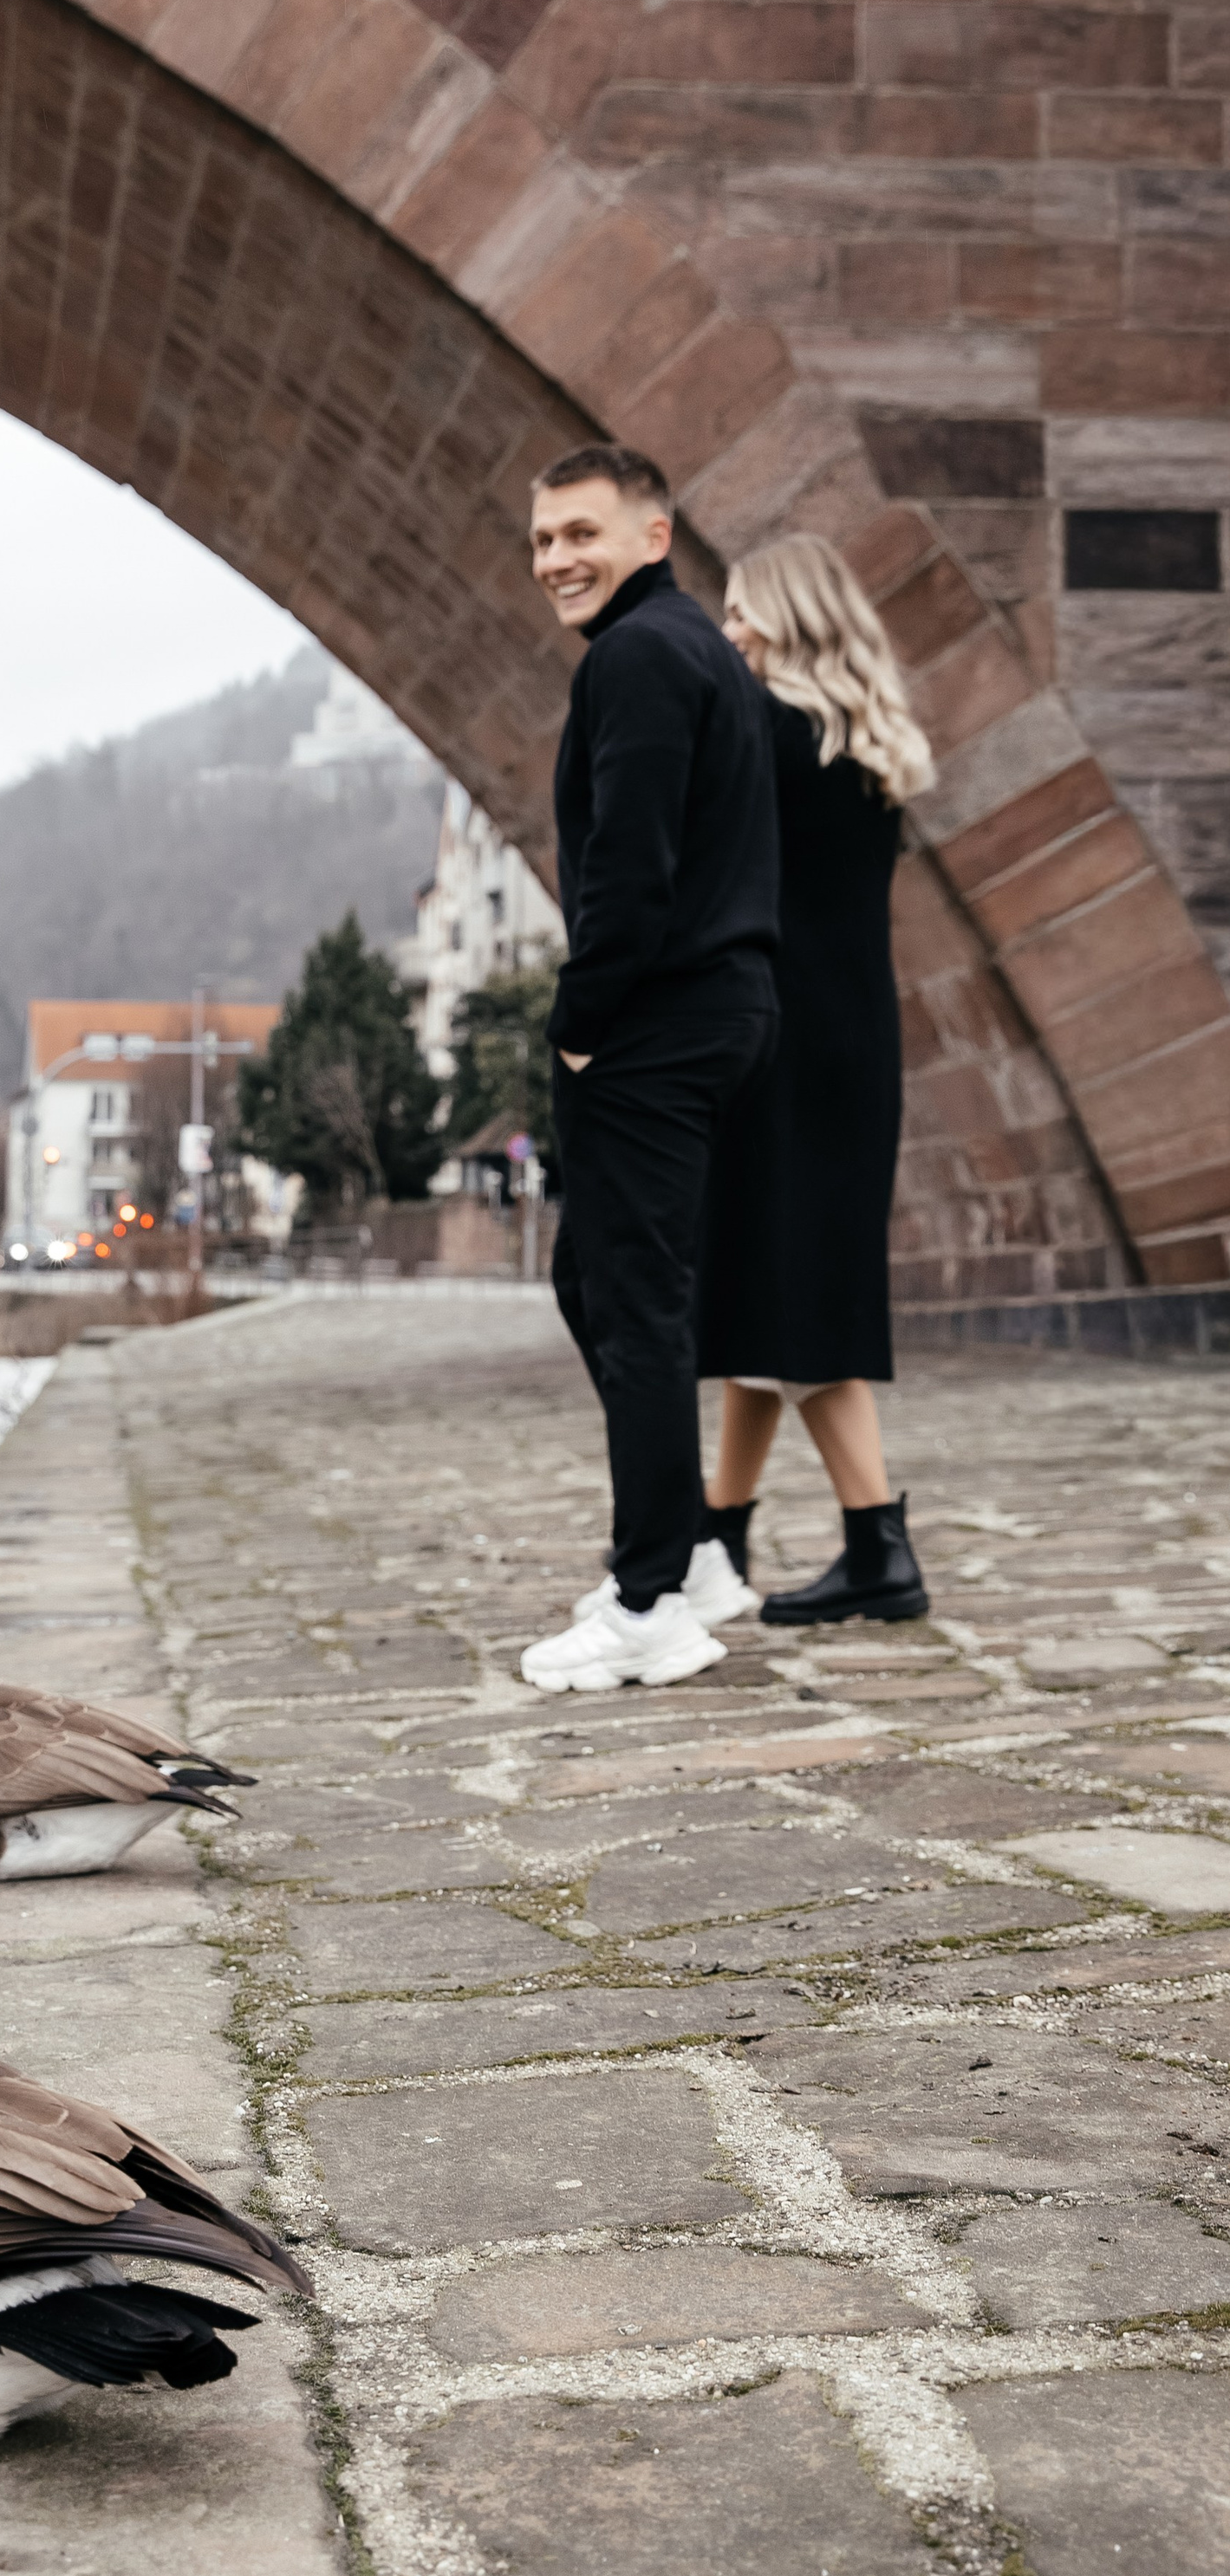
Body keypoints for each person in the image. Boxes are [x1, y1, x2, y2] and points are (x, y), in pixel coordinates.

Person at [518, 446, 780, 1695]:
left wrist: (579, 1019)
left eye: (582, 532)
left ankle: (648, 1599)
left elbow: (632, 859)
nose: (558, 559)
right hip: (714, 1010)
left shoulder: (637, 656)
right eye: (542, 541)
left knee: (634, 1301)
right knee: (608, 1281)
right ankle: (690, 1559)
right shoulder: (691, 648)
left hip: (653, 1025)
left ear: (654, 531)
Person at [693, 531, 936, 1625]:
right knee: (771, 1292)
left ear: (790, 615)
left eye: (745, 611)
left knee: (796, 1307)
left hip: (782, 1044)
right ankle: (718, 1539)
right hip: (855, 1043)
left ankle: (877, 1546)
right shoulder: (869, 749)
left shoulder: (762, 730)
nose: (729, 630)